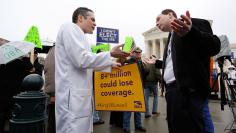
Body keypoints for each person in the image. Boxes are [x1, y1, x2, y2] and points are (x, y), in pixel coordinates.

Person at [143, 9, 220, 133]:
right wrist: (157, 63)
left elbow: (214, 46)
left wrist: (191, 32)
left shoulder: (193, 24)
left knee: (196, 127)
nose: (156, 24)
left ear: (170, 15)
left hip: (189, 90)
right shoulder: (171, 36)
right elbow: (176, 62)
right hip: (172, 91)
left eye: (158, 19)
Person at [55, 7, 129, 133]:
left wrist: (110, 65)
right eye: (92, 19)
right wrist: (110, 53)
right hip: (72, 98)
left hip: (79, 97)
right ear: (80, 18)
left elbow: (88, 63)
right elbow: (81, 59)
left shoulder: (80, 36)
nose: (95, 23)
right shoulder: (69, 27)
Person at [123, 47, 148, 133]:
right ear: (132, 53)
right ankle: (126, 127)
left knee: (138, 108)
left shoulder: (141, 62)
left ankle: (138, 125)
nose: (138, 54)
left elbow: (144, 74)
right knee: (128, 109)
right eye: (136, 53)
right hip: (130, 89)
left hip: (139, 88)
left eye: (139, 53)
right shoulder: (128, 61)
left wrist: (146, 66)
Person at [44, 46, 55, 133]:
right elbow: (51, 71)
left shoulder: (53, 50)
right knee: (54, 122)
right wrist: (53, 93)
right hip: (57, 95)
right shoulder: (57, 50)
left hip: (56, 93)